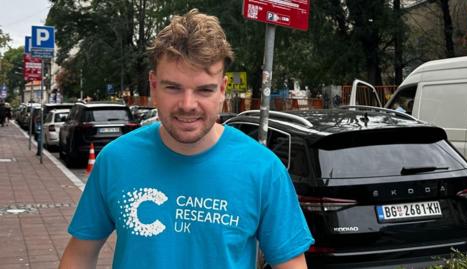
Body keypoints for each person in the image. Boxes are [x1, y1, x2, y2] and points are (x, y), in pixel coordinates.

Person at [59, 9, 313, 269]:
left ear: (222, 90)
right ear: (154, 87)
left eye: (204, 89)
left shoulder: (263, 169)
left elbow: (291, 264)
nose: (188, 105)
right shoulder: (116, 160)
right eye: (173, 87)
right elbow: (79, 255)